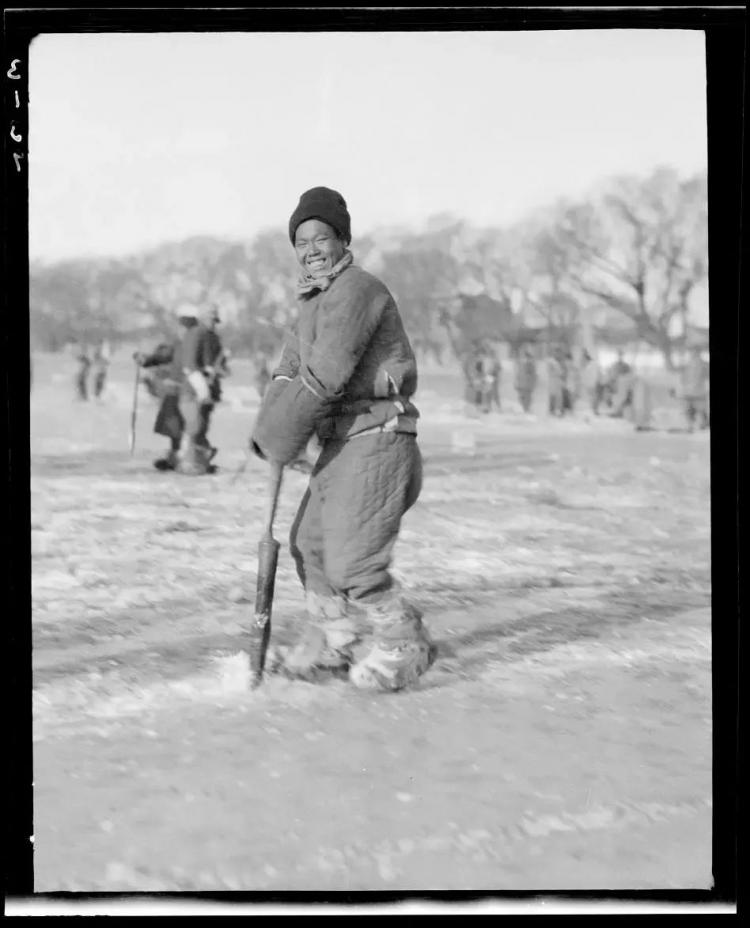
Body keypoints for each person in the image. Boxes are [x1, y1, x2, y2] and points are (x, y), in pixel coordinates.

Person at [250, 185, 436, 692]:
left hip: (378, 434)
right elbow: (290, 371)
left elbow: (326, 372)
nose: (310, 249)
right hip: (341, 440)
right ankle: (338, 640)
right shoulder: (312, 301)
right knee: (308, 545)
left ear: (343, 239)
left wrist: (282, 437)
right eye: (301, 241)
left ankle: (404, 641)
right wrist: (271, 431)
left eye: (321, 237)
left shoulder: (356, 290)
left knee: (354, 558)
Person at [135, 303, 223, 475]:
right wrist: (145, 360)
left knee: (196, 427)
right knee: (176, 429)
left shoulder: (203, 340)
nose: (181, 331)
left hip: (193, 390)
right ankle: (177, 459)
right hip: (178, 391)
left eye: (184, 327)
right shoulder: (179, 343)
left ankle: (196, 458)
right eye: (180, 327)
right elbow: (162, 356)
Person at [681, 347, 710, 431]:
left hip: (698, 392)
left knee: (700, 409)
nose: (694, 355)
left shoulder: (703, 365)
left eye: (695, 353)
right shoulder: (687, 365)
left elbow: (706, 377)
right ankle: (691, 425)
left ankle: (702, 424)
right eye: (693, 353)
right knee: (689, 409)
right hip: (690, 392)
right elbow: (683, 379)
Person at [514, 345, 537, 413]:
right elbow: (518, 373)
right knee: (522, 396)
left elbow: (533, 374)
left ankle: (527, 409)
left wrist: (533, 382)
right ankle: (525, 408)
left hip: (528, 383)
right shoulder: (521, 363)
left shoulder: (531, 363)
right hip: (522, 383)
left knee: (528, 396)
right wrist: (516, 381)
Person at [547, 350, 564, 416]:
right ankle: (552, 411)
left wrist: (560, 373)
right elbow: (550, 371)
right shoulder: (551, 362)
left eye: (558, 353)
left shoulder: (559, 361)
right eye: (556, 353)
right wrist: (558, 373)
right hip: (553, 381)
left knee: (559, 397)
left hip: (558, 381)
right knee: (552, 396)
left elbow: (561, 371)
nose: (557, 354)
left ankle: (559, 410)